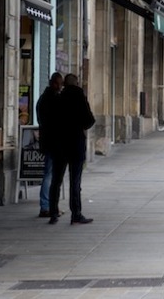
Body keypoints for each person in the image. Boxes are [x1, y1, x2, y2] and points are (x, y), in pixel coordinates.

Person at [48, 74, 95, 225]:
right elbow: (89, 120)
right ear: (76, 83)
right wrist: (79, 126)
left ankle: (53, 213)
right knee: (75, 181)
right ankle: (76, 213)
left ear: (65, 84)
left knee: (56, 180)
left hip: (60, 145)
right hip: (76, 144)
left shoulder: (58, 98)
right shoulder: (80, 97)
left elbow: (51, 121)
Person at [36, 72, 63, 218]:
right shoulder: (50, 99)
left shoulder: (45, 99)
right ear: (52, 83)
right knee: (50, 174)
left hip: (49, 141)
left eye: (60, 84)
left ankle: (50, 206)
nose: (59, 86)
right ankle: (46, 206)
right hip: (53, 142)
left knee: (51, 174)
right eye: (57, 83)